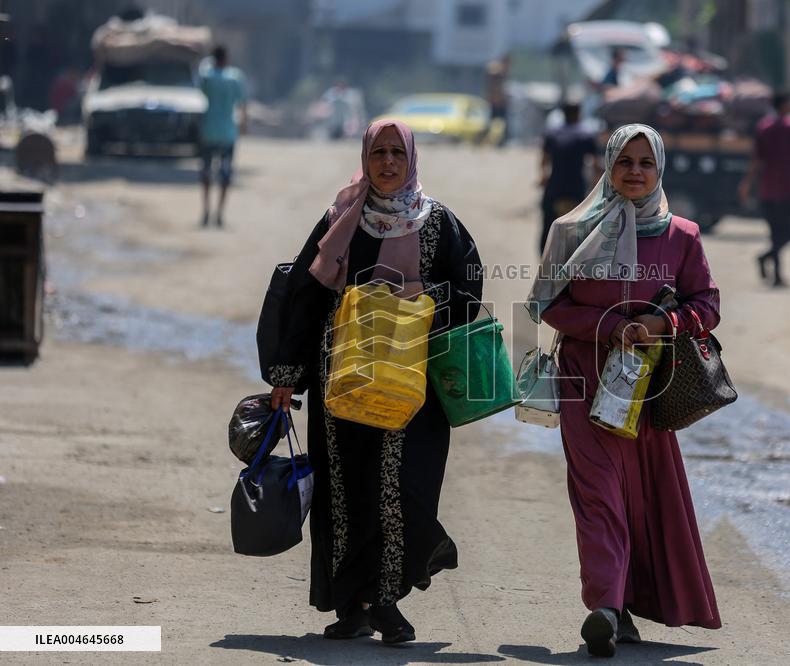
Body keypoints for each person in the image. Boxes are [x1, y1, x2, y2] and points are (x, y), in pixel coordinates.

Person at [268, 120, 483, 644]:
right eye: (378, 153)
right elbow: (304, 294)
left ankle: (389, 597)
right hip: (341, 379)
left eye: (397, 153)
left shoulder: (438, 224)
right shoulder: (340, 220)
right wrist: (286, 375)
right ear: (365, 158)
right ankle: (354, 605)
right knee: (346, 490)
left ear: (412, 159)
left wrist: (414, 302)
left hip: (413, 385)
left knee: (404, 486)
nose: (388, 163)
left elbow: (470, 289)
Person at [527, 124, 722, 658]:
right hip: (583, 381)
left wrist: (660, 325)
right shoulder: (570, 231)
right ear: (606, 167)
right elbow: (548, 305)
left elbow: (707, 305)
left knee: (640, 496)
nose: (634, 172)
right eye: (624, 162)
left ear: (660, 171)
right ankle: (606, 610)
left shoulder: (681, 236)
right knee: (598, 497)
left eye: (646, 163)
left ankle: (623, 603)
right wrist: (608, 326)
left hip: (649, 386)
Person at [739, 91, 790, 287]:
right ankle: (773, 271)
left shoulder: (764, 127)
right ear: (784, 105)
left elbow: (756, 161)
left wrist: (747, 183)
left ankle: (769, 263)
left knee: (776, 233)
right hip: (788, 189)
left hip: (768, 189)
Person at [539, 102, 599, 253]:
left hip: (554, 187)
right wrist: (596, 184)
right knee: (577, 229)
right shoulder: (586, 135)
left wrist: (543, 177)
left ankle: (545, 260)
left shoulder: (552, 133)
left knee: (548, 227)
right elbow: (594, 164)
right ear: (579, 113)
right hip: (576, 188)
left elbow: (544, 160)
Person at [198, 45, 247, 228]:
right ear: (226, 58)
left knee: (206, 173)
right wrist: (244, 124)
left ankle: (206, 211)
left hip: (208, 131)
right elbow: (242, 103)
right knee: (225, 174)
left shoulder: (207, 76)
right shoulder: (235, 77)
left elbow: (199, 86)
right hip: (227, 133)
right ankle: (219, 213)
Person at [485, 54, 510, 146]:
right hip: (495, 103)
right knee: (490, 123)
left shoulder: (502, 75)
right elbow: (490, 69)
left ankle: (502, 141)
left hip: (501, 103)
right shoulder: (496, 72)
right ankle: (486, 140)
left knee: (504, 124)